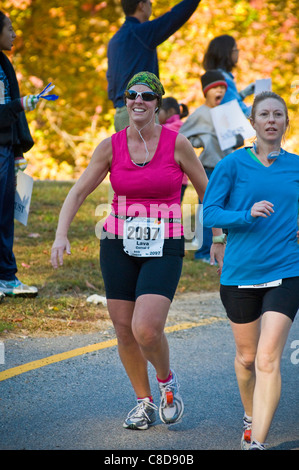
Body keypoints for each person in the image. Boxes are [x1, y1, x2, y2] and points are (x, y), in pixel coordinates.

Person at [51, 71, 225, 430]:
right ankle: (143, 402)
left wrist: (219, 237)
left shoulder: (177, 144)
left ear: (157, 104)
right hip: (118, 242)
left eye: (147, 96)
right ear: (126, 101)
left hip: (165, 241)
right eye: (132, 95)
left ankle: (166, 381)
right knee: (124, 329)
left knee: (146, 328)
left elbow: (207, 192)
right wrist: (60, 234)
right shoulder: (110, 145)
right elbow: (78, 191)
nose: (138, 101)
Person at [202, 91, 299, 450]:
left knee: (268, 357)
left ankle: (256, 441)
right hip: (241, 273)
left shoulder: (296, 166)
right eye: (265, 115)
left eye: (278, 114)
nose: (272, 120)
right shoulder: (232, 165)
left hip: (287, 270)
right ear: (253, 123)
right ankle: (249, 414)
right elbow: (209, 213)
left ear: (286, 123)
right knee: (246, 359)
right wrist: (245, 215)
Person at [107, 0, 202, 131]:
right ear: (141, 5)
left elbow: (111, 83)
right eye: (150, 2)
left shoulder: (114, 40)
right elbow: (174, 17)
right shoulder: (141, 33)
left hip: (120, 115)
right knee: (150, 152)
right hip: (140, 112)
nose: (151, 5)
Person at [180, 70, 243, 261]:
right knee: (207, 210)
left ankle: (226, 249)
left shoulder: (226, 113)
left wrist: (236, 137)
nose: (220, 91)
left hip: (228, 168)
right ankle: (202, 252)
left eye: (223, 87)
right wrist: (199, 140)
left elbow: (238, 139)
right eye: (215, 87)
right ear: (206, 91)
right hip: (207, 168)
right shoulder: (200, 114)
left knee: (229, 208)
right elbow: (181, 138)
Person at [0, 11, 41, 297]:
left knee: (4, 216)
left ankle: (6, 277)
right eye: (10, 29)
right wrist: (21, 104)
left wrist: (16, 152)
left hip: (5, 149)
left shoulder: (4, 64)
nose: (14, 34)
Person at [203, 35, 255, 118]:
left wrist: (244, 94)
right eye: (235, 49)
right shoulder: (222, 79)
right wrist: (264, 109)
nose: (237, 52)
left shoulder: (220, 76)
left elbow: (229, 101)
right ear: (227, 53)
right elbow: (238, 111)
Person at [158, 96, 189, 201]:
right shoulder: (185, 126)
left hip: (167, 179)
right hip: (182, 180)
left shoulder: (166, 129)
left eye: (158, 112)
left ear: (170, 111)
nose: (156, 116)